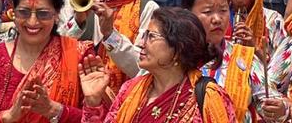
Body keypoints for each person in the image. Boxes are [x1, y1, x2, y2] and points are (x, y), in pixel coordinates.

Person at [77, 7, 236, 122]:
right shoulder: (131, 89)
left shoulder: (208, 97)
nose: (140, 43)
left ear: (178, 48)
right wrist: (93, 101)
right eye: (144, 35)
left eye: (151, 36)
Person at [182, 0, 268, 122]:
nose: (217, 19)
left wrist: (280, 109)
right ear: (187, 15)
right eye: (207, 12)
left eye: (223, 10)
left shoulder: (244, 58)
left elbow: (270, 99)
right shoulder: (174, 57)